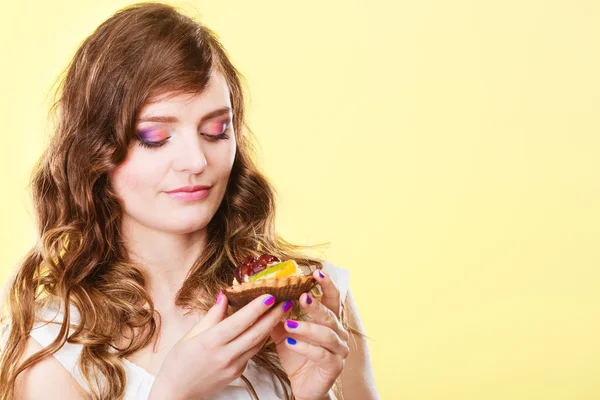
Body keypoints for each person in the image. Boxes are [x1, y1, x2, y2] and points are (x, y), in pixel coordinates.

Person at [0, 3, 378, 399]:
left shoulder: (315, 302)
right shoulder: (53, 348)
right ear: (94, 151)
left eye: (216, 131)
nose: (196, 161)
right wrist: (174, 392)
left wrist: (311, 394)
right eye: (155, 137)